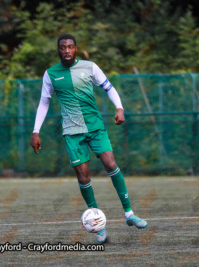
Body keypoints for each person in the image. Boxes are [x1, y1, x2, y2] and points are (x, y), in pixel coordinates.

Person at [30, 33, 147, 243]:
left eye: (70, 47)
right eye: (63, 47)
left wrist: (119, 108)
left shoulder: (90, 67)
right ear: (58, 50)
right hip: (73, 133)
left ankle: (129, 214)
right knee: (84, 177)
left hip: (95, 128)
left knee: (111, 164)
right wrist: (35, 131)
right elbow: (44, 103)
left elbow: (109, 88)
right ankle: (97, 223)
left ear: (75, 49)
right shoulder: (50, 74)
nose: (67, 51)